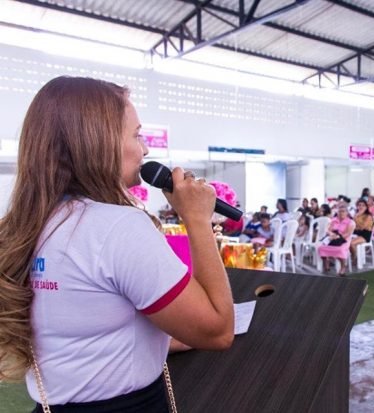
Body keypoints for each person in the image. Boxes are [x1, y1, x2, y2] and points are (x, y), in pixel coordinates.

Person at [0, 77, 234, 410]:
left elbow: (82, 334)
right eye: (137, 135)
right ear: (98, 141)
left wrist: (159, 336)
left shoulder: (26, 226)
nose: (146, 149)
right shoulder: (118, 226)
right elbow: (217, 330)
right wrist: (197, 219)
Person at [318, 205, 355, 276]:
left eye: (343, 211)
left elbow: (348, 233)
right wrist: (332, 235)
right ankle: (326, 263)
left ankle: (343, 267)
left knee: (340, 250)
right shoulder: (333, 220)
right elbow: (327, 230)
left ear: (347, 213)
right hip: (332, 237)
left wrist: (338, 236)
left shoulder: (351, 222)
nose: (341, 213)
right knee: (321, 247)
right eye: (339, 211)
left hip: (344, 239)